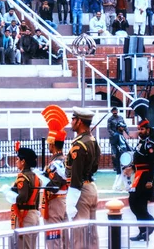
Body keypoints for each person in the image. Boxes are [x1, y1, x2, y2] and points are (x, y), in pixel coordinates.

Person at [65, 107, 100, 249]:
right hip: (90, 186)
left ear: (79, 121)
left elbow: (77, 175)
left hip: (80, 191)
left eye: (73, 119)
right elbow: (95, 167)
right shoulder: (92, 140)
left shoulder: (79, 145)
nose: (71, 121)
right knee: (92, 235)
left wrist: (71, 201)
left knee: (79, 235)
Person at [40, 106, 69, 249]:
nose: (48, 146)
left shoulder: (58, 162)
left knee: (54, 237)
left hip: (55, 202)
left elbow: (55, 184)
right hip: (63, 201)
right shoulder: (62, 160)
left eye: (49, 144)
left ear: (52, 144)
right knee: (63, 237)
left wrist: (43, 181)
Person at [126, 119, 154, 242]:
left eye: (142, 129)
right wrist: (132, 168)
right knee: (137, 203)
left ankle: (151, 223)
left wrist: (150, 180)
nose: (140, 131)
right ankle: (143, 231)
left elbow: (151, 163)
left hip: (145, 176)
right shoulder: (141, 143)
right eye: (139, 129)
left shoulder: (149, 144)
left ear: (148, 130)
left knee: (135, 201)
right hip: (139, 174)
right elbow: (139, 160)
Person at [7, 147, 41, 249]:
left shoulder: (23, 177)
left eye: (18, 159)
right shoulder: (35, 177)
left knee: (23, 246)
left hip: (25, 216)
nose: (16, 161)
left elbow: (22, 197)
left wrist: (10, 195)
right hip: (34, 214)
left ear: (23, 161)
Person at [111, 122, 132, 191]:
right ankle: (116, 187)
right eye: (121, 127)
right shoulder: (116, 135)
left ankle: (128, 186)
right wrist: (114, 153)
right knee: (120, 171)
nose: (123, 128)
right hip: (119, 156)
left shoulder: (121, 135)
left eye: (123, 127)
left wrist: (130, 150)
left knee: (125, 171)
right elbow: (113, 145)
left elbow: (125, 144)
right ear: (118, 127)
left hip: (124, 156)